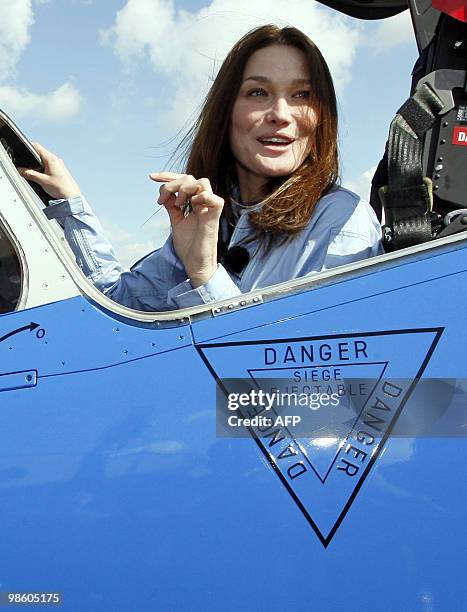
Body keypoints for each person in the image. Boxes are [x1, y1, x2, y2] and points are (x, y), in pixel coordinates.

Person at [20, 25, 383, 312]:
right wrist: (71, 204)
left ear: (321, 117)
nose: (281, 114)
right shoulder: (216, 219)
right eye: (258, 93)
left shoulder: (341, 223)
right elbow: (120, 305)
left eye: (301, 95)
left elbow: (299, 388)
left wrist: (205, 275)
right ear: (226, 112)